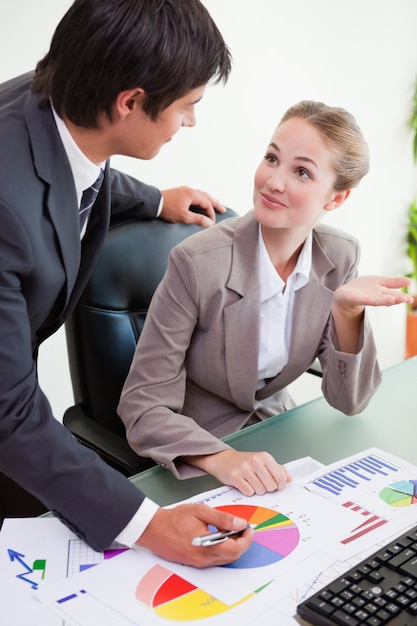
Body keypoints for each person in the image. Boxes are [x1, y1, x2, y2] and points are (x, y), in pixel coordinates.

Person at [0, 0, 255, 568]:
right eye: (188, 106)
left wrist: (156, 199)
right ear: (131, 102)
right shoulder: (4, 212)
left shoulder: (54, 92)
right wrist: (150, 524)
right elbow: (7, 415)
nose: (190, 122)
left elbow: (78, 169)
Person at [118, 100, 413, 497]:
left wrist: (347, 312)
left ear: (336, 199)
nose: (273, 181)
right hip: (197, 452)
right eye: (272, 158)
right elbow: (142, 405)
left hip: (275, 433)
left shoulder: (339, 255)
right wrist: (220, 458)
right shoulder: (197, 263)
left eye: (302, 171)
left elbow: (351, 401)